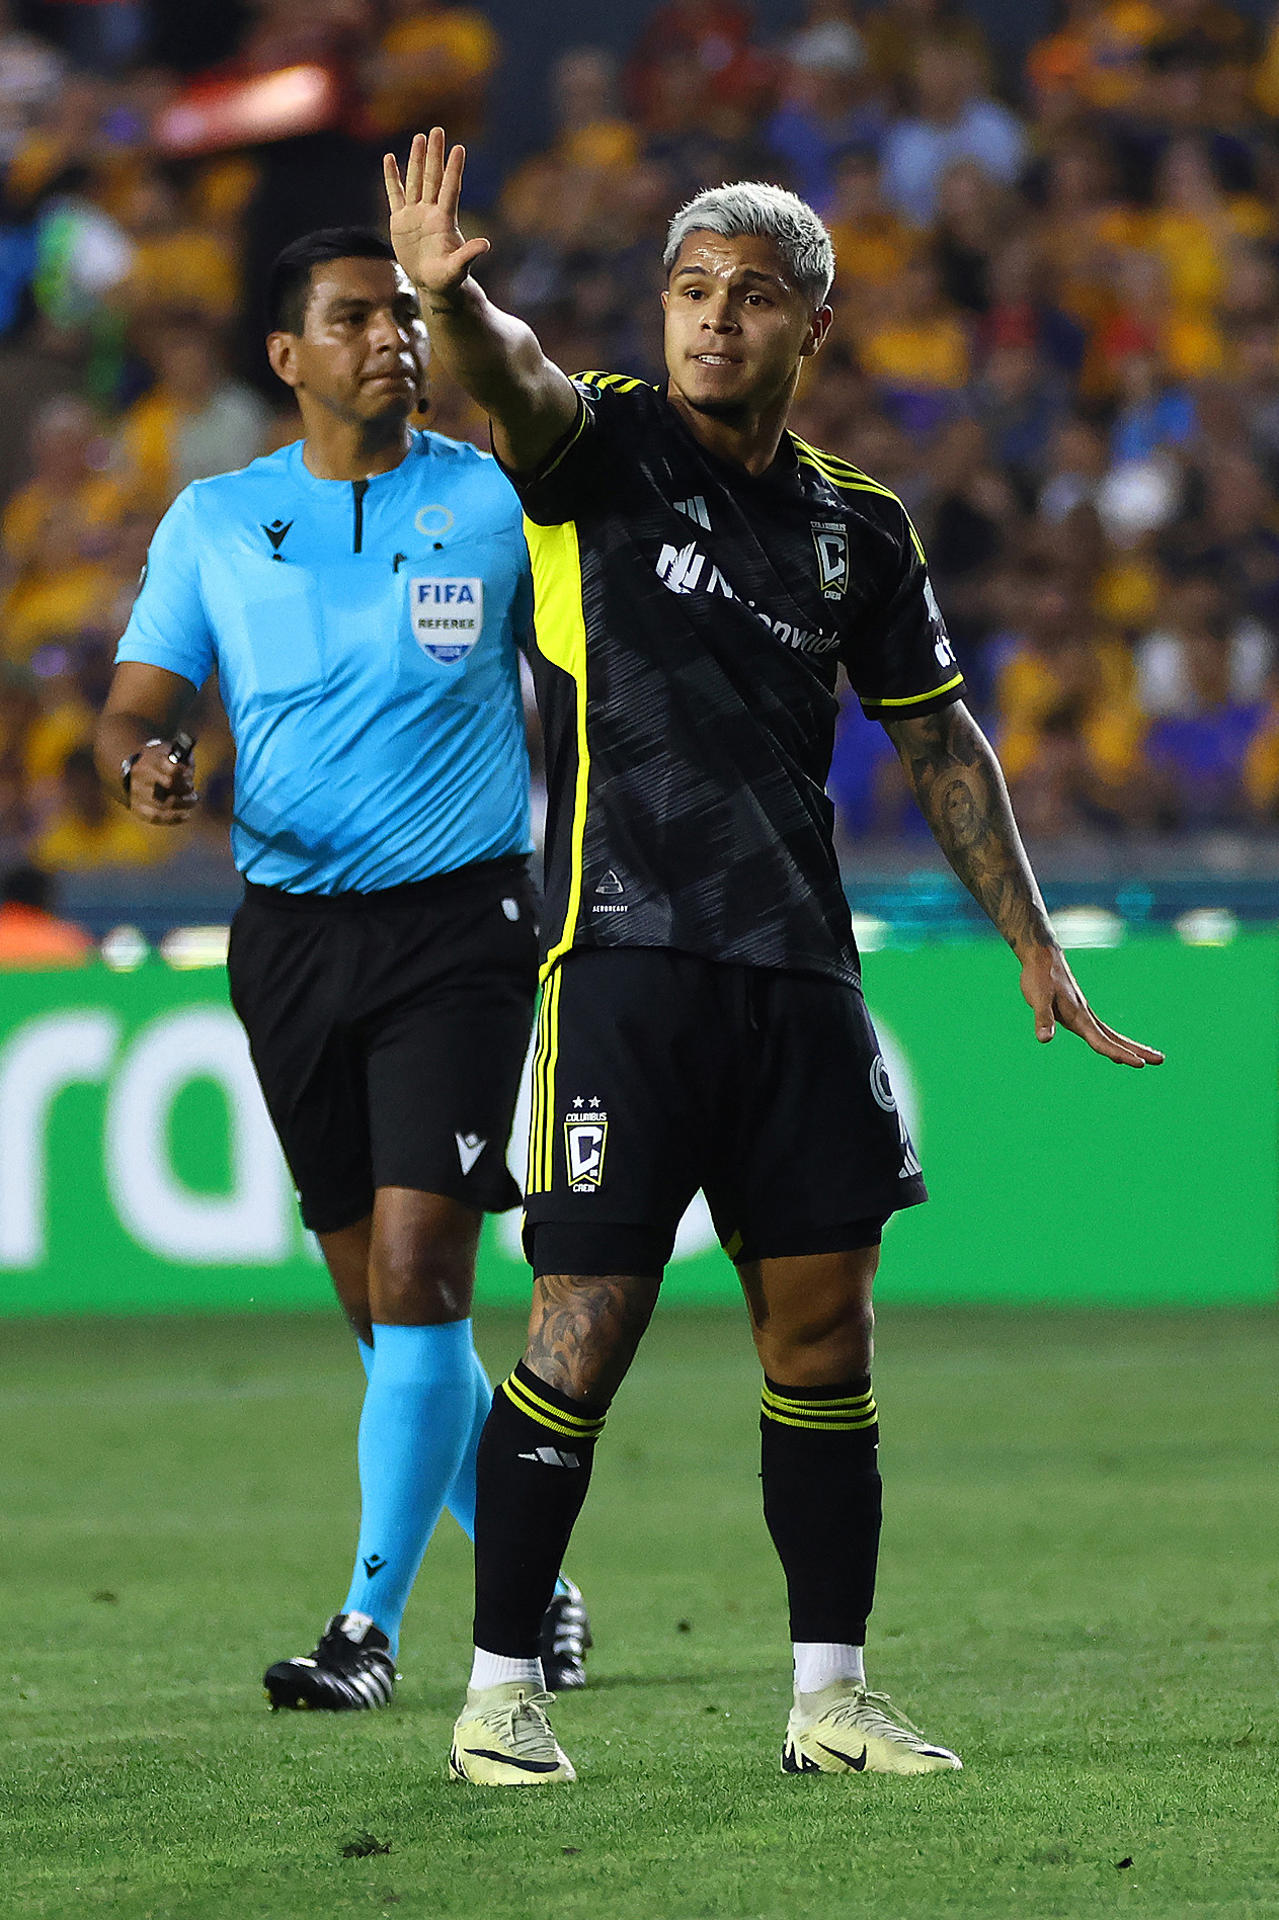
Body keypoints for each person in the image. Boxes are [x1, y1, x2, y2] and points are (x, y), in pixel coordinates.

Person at [383, 129, 1165, 1786]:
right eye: (688, 292)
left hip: (802, 976)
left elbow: (942, 740)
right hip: (622, 959)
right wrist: (451, 303)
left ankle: (829, 1697)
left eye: (749, 297)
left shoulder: (859, 531)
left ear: (814, 325)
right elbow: (509, 381)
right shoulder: (595, 450)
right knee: (580, 1328)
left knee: (827, 1339)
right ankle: (499, 1690)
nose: (711, 321)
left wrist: (1030, 936)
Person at [93, 227, 590, 1715]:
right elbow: (135, 708)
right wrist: (150, 767)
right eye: (353, 317)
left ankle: (366, 1636)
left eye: (402, 313)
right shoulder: (214, 522)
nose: (391, 335)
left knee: (420, 1266)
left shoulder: (494, 500)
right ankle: (536, 1580)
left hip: (462, 929)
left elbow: (573, 686)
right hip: (292, 941)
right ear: (286, 358)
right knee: (380, 1320)